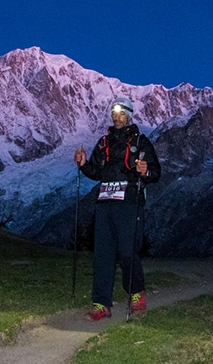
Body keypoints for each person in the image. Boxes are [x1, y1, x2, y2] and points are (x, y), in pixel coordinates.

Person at [74, 96, 161, 321]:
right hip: (105, 202)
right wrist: (84, 164)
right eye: (114, 112)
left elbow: (155, 172)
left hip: (129, 201)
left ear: (129, 115)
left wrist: (145, 171)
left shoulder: (140, 141)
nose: (116, 116)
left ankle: (136, 294)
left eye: (121, 112)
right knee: (103, 253)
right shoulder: (104, 142)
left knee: (126, 250)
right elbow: (96, 172)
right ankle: (101, 304)